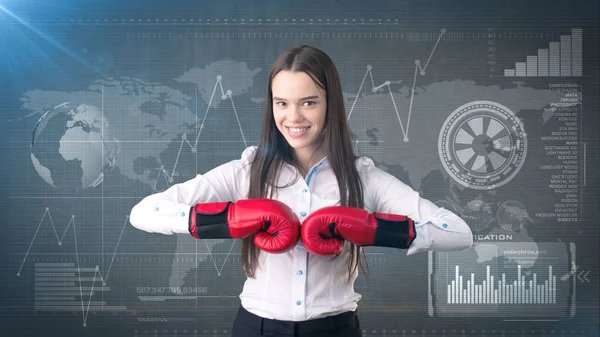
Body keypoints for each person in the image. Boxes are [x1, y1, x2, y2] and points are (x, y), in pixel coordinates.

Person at [129, 45, 473, 337]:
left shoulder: (362, 178)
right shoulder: (248, 172)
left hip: (334, 328)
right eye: (282, 103)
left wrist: (373, 229)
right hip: (256, 327)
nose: (293, 116)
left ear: (330, 104)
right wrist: (229, 219)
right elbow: (144, 212)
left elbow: (458, 233)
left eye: (308, 102)